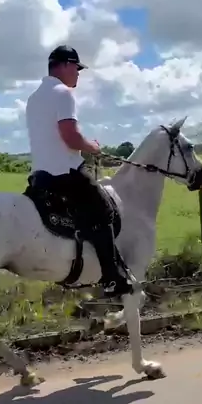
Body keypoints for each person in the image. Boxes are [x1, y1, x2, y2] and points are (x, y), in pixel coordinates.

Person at [25, 44, 135, 296]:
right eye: (76, 68)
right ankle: (111, 277)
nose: (78, 74)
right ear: (65, 65)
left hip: (39, 175)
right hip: (65, 173)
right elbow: (71, 138)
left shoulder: (34, 98)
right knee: (105, 210)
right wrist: (92, 147)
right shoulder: (63, 93)